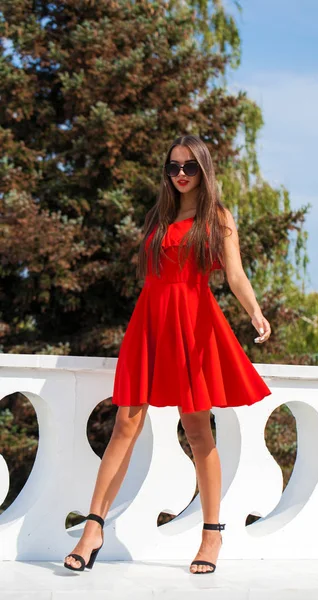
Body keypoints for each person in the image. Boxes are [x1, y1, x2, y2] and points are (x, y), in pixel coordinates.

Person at [64, 134, 272, 574]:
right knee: (125, 421)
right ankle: (93, 527)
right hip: (151, 322)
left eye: (189, 167)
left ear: (204, 169)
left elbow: (234, 274)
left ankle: (212, 534)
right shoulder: (158, 216)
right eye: (173, 167)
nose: (180, 174)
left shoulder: (217, 217)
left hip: (192, 323)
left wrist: (254, 311)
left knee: (197, 429)